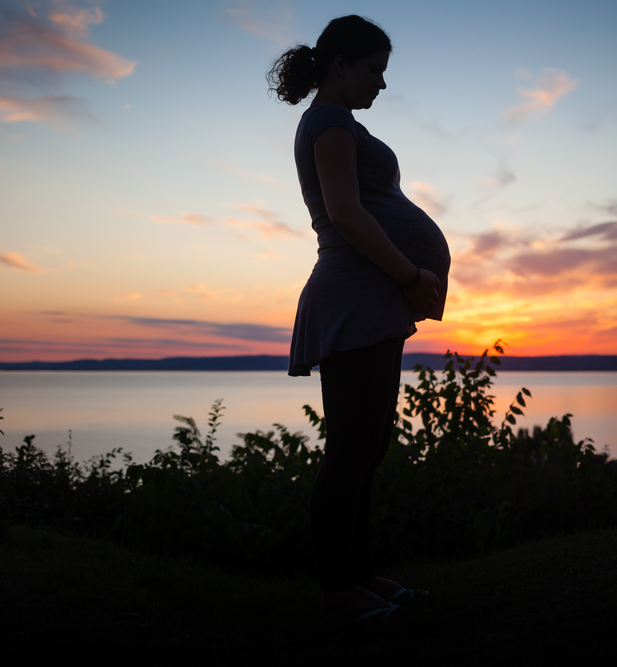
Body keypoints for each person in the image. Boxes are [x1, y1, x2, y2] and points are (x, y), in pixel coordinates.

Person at [268, 15, 451, 622]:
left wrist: (406, 282)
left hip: (371, 301)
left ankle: (361, 575)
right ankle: (338, 592)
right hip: (353, 298)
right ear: (340, 64)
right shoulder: (328, 122)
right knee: (350, 450)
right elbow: (345, 213)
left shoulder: (339, 123)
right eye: (374, 69)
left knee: (369, 446)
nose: (381, 83)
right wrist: (410, 275)